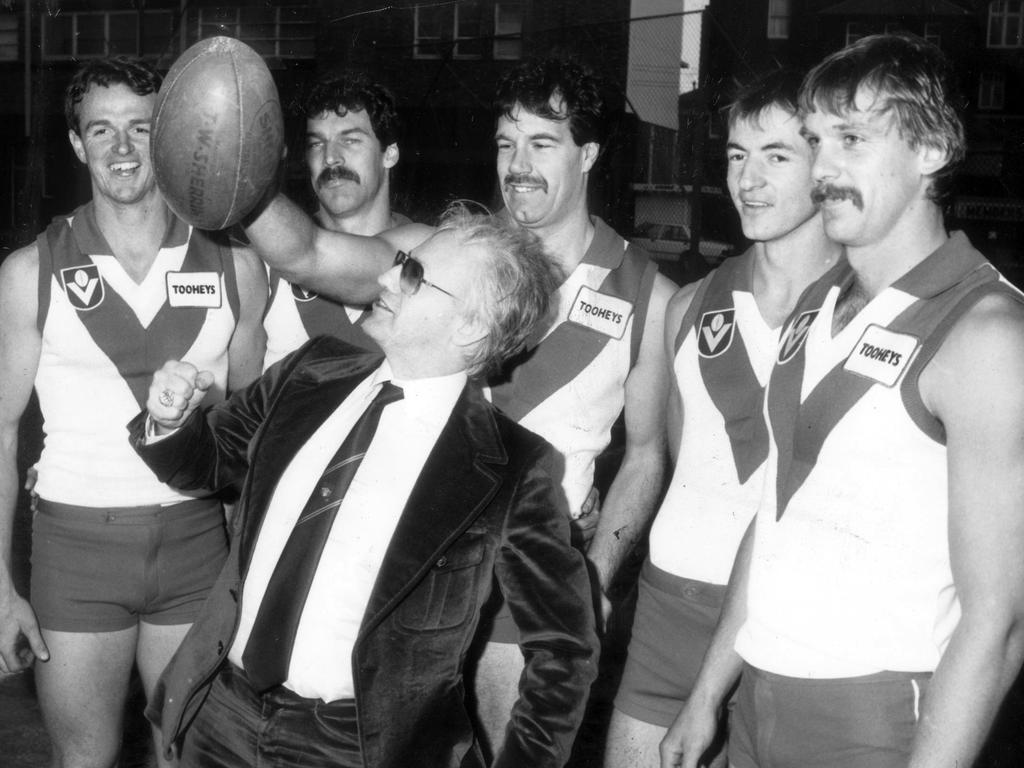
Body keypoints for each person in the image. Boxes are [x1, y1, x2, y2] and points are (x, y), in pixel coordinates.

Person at [229, 56, 674, 754]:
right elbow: (311, 253)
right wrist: (238, 178)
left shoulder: (650, 293)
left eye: (541, 143)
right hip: (405, 572)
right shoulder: (442, 253)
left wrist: (598, 577)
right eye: (505, 143)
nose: (516, 165)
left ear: (588, 152)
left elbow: (646, 455)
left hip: (524, 592)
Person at [661, 33, 1024, 768]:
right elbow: (774, 512)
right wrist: (706, 698)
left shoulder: (985, 334)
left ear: (932, 150)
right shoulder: (815, 306)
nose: (823, 170)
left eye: (852, 140)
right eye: (817, 141)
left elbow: (1000, 622)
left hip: (875, 716)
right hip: (757, 693)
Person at [130, 205, 599, 768]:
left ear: (472, 325)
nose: (383, 279)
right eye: (401, 262)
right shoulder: (310, 372)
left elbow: (564, 651)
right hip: (220, 717)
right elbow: (203, 467)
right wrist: (171, 419)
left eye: (413, 275)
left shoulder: (512, 470)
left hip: (359, 747)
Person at [0, 56, 266, 768]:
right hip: (75, 550)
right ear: (77, 145)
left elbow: (254, 432)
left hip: (196, 546)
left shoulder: (237, 266)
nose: (122, 149)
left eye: (142, 129)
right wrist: (0, 588)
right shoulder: (31, 271)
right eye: (102, 130)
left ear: (173, 137)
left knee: (191, 756)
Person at [604, 69, 840, 768]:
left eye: (776, 156)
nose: (748, 179)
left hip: (788, 621)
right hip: (669, 606)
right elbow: (680, 460)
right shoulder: (689, 306)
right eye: (736, 156)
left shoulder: (860, 313)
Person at [262, 70, 409, 368]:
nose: (331, 158)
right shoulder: (261, 255)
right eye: (317, 144)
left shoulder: (427, 248)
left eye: (350, 141)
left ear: (389, 154)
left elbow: (308, 251)